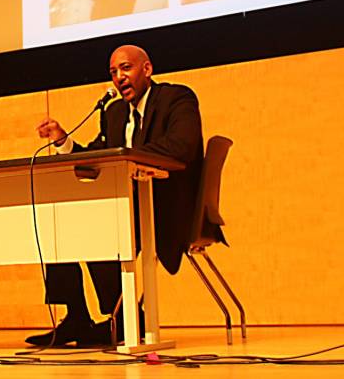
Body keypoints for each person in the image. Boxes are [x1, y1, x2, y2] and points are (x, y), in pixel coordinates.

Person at [26, 45, 210, 347]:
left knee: (104, 229)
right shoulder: (114, 113)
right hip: (126, 206)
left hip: (166, 207)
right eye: (113, 72)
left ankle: (122, 320)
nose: (119, 77)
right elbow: (100, 157)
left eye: (126, 68)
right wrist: (63, 140)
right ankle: (76, 317)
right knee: (63, 221)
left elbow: (182, 147)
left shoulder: (177, 99)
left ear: (147, 69)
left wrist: (126, 157)